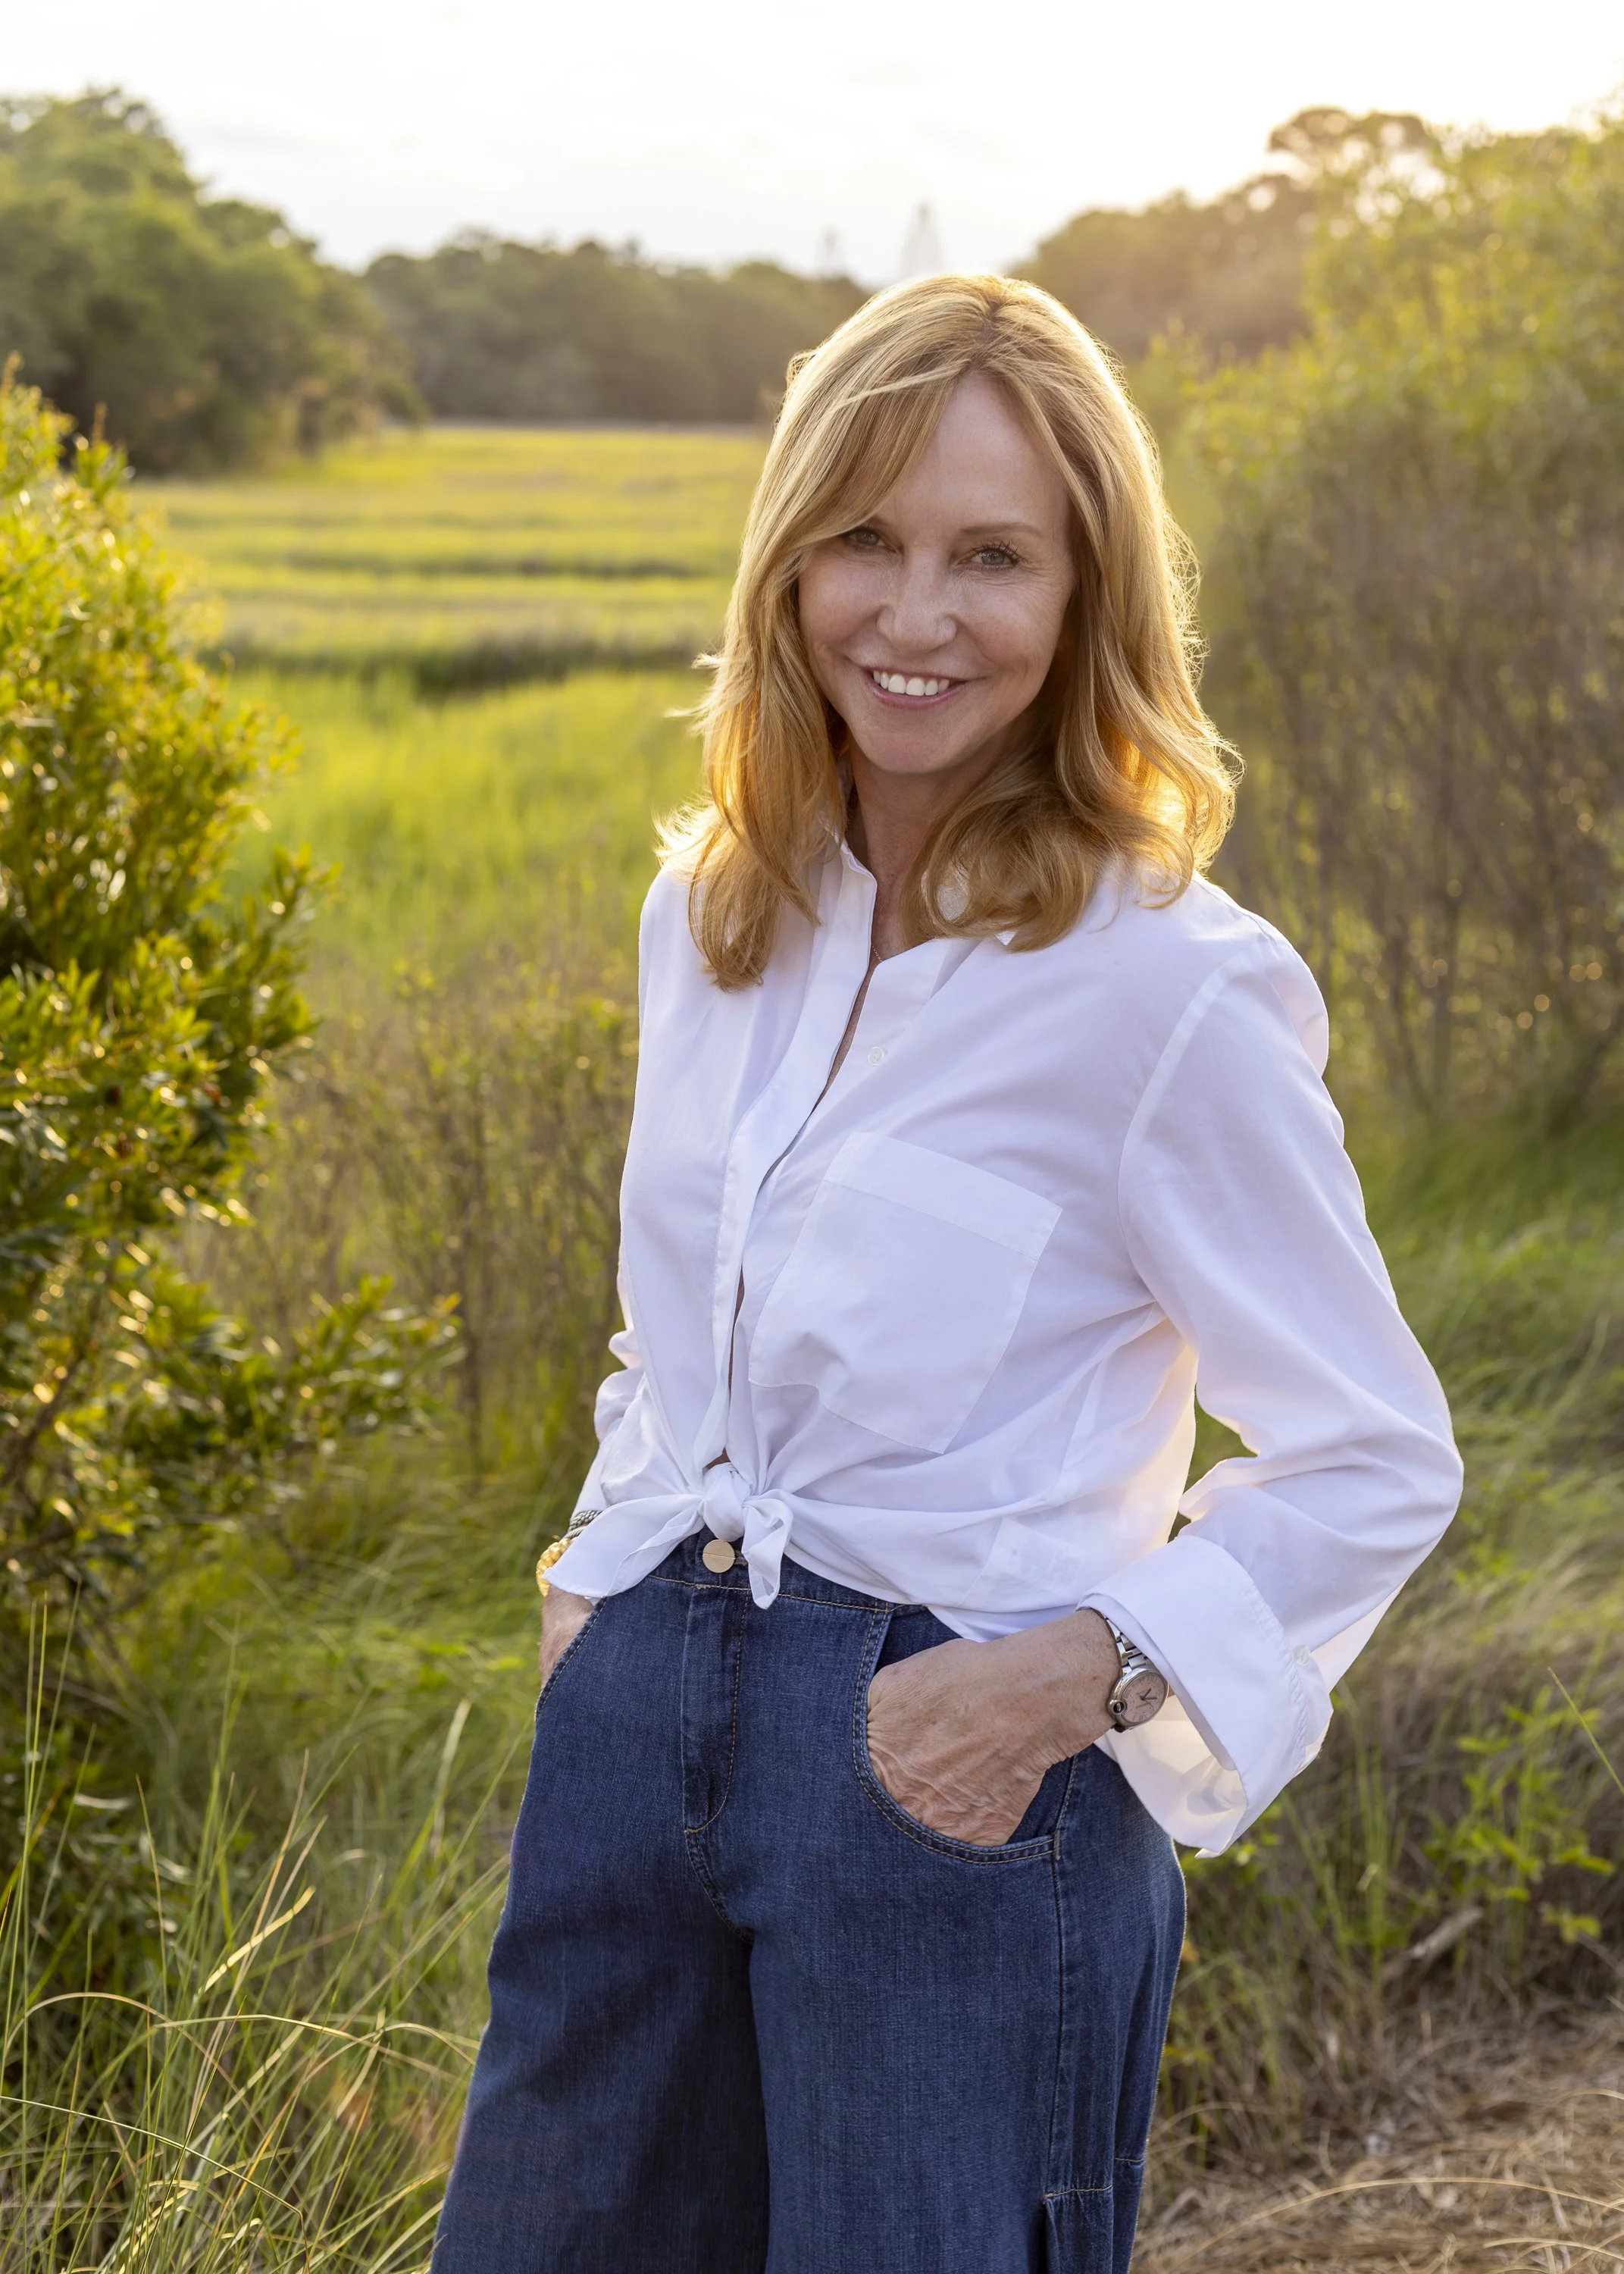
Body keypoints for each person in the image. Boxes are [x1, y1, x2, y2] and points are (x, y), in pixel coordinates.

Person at [428, 274, 1463, 2274]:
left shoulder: (1168, 989)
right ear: (784, 566)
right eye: (866, 542)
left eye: (990, 555)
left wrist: (1065, 1674)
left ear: (1086, 596)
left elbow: (1371, 1459)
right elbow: (680, 1326)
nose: (916, 616)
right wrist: (597, 1585)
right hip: (644, 1718)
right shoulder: (710, 911)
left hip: (955, 1774)